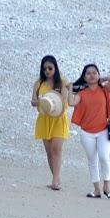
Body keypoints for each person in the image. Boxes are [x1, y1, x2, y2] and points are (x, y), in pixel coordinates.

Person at [69, 63, 110, 198]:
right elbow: (71, 103)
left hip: (103, 130)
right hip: (87, 132)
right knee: (92, 160)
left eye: (94, 72)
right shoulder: (81, 93)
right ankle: (97, 189)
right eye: (88, 73)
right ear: (84, 77)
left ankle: (107, 187)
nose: (91, 75)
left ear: (98, 74)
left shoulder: (105, 90)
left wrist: (100, 80)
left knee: (104, 157)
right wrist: (68, 89)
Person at [30, 55, 71, 191]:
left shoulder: (62, 82)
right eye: (45, 69)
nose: (47, 71)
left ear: (55, 68)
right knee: (49, 152)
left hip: (58, 118)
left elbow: (64, 101)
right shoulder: (38, 83)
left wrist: (52, 98)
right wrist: (39, 101)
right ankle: (56, 178)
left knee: (56, 149)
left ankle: (55, 181)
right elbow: (33, 102)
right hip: (44, 118)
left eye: (50, 68)